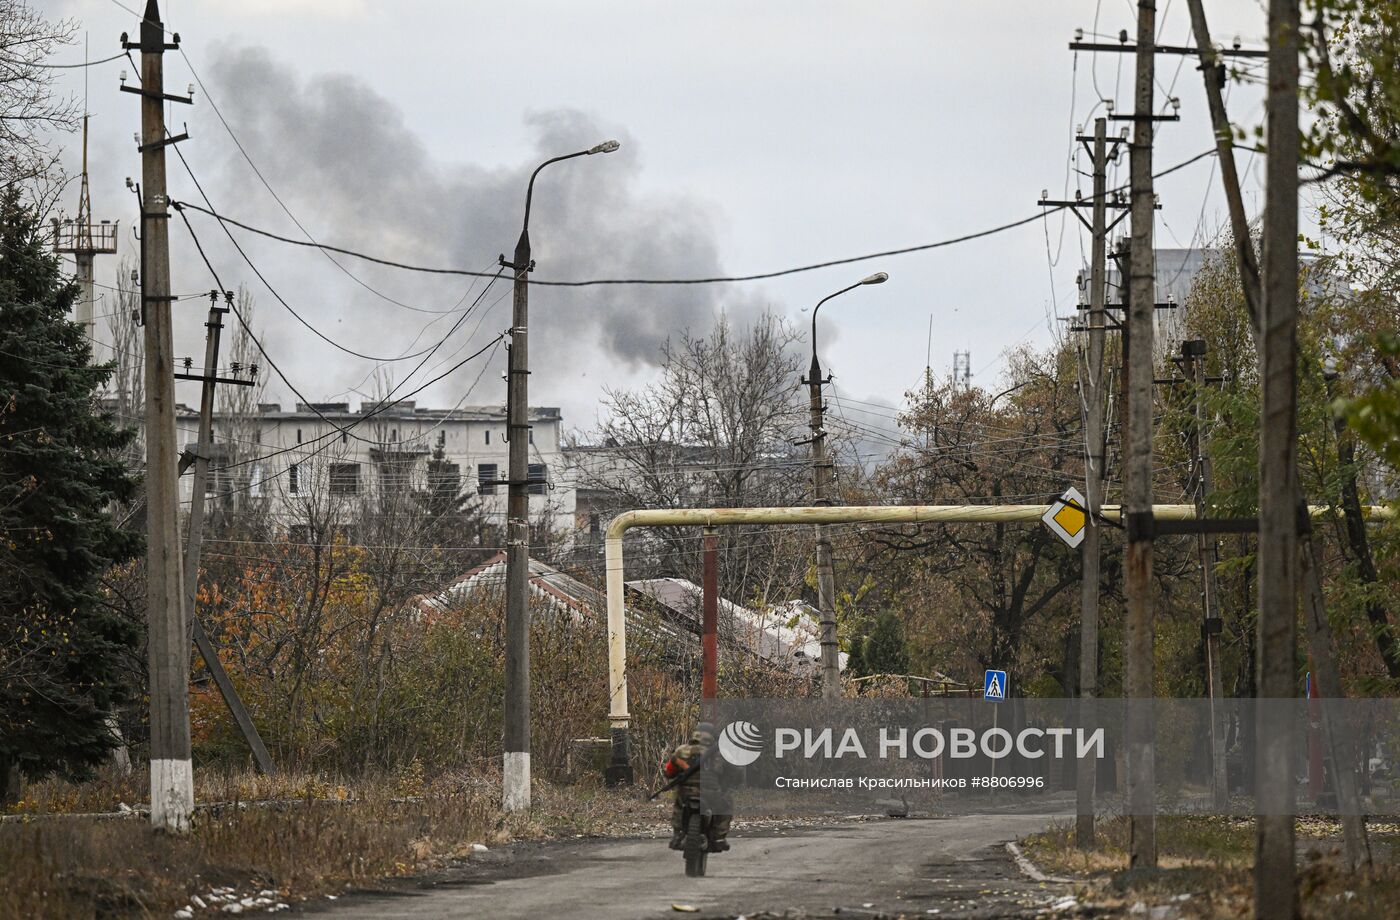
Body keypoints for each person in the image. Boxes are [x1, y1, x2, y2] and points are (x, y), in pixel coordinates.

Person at [660, 721, 733, 852]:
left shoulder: (681, 750)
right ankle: (719, 837)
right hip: (711, 793)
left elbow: (669, 772)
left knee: (678, 805)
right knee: (726, 806)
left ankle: (677, 834)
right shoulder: (721, 753)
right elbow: (732, 774)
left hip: (686, 793)